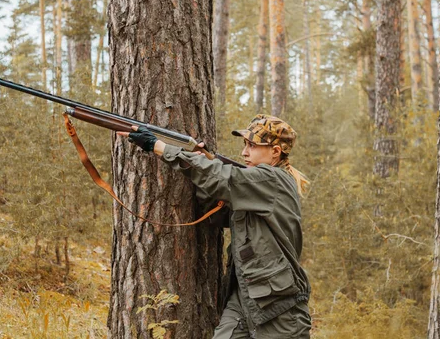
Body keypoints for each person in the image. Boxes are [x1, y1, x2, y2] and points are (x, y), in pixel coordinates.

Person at [120, 114, 312, 339]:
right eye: (245, 144)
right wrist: (198, 159)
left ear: (275, 152)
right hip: (245, 300)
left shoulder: (273, 179)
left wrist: (160, 147)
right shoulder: (254, 187)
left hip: (280, 308)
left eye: (252, 145)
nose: (244, 152)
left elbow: (222, 178)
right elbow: (217, 208)